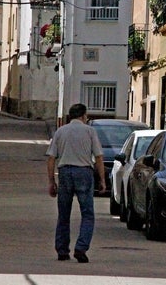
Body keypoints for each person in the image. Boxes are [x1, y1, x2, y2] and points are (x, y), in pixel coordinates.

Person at [46, 103, 105, 263]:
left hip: (65, 172)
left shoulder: (60, 131)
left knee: (63, 213)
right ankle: (81, 247)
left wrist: (52, 181)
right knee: (87, 214)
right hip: (84, 172)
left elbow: (51, 158)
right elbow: (98, 157)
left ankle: (62, 250)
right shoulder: (90, 131)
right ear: (83, 116)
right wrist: (102, 179)